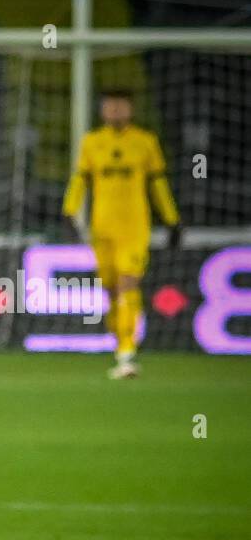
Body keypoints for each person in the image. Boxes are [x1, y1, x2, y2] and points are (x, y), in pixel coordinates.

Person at [62, 88, 181, 379]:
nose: (115, 110)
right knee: (112, 290)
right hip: (101, 228)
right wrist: (69, 212)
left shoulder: (145, 142)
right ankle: (121, 345)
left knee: (129, 284)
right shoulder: (92, 142)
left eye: (121, 106)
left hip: (134, 228)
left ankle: (127, 352)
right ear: (103, 110)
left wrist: (172, 219)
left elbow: (157, 184)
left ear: (130, 109)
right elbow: (80, 181)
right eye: (110, 106)